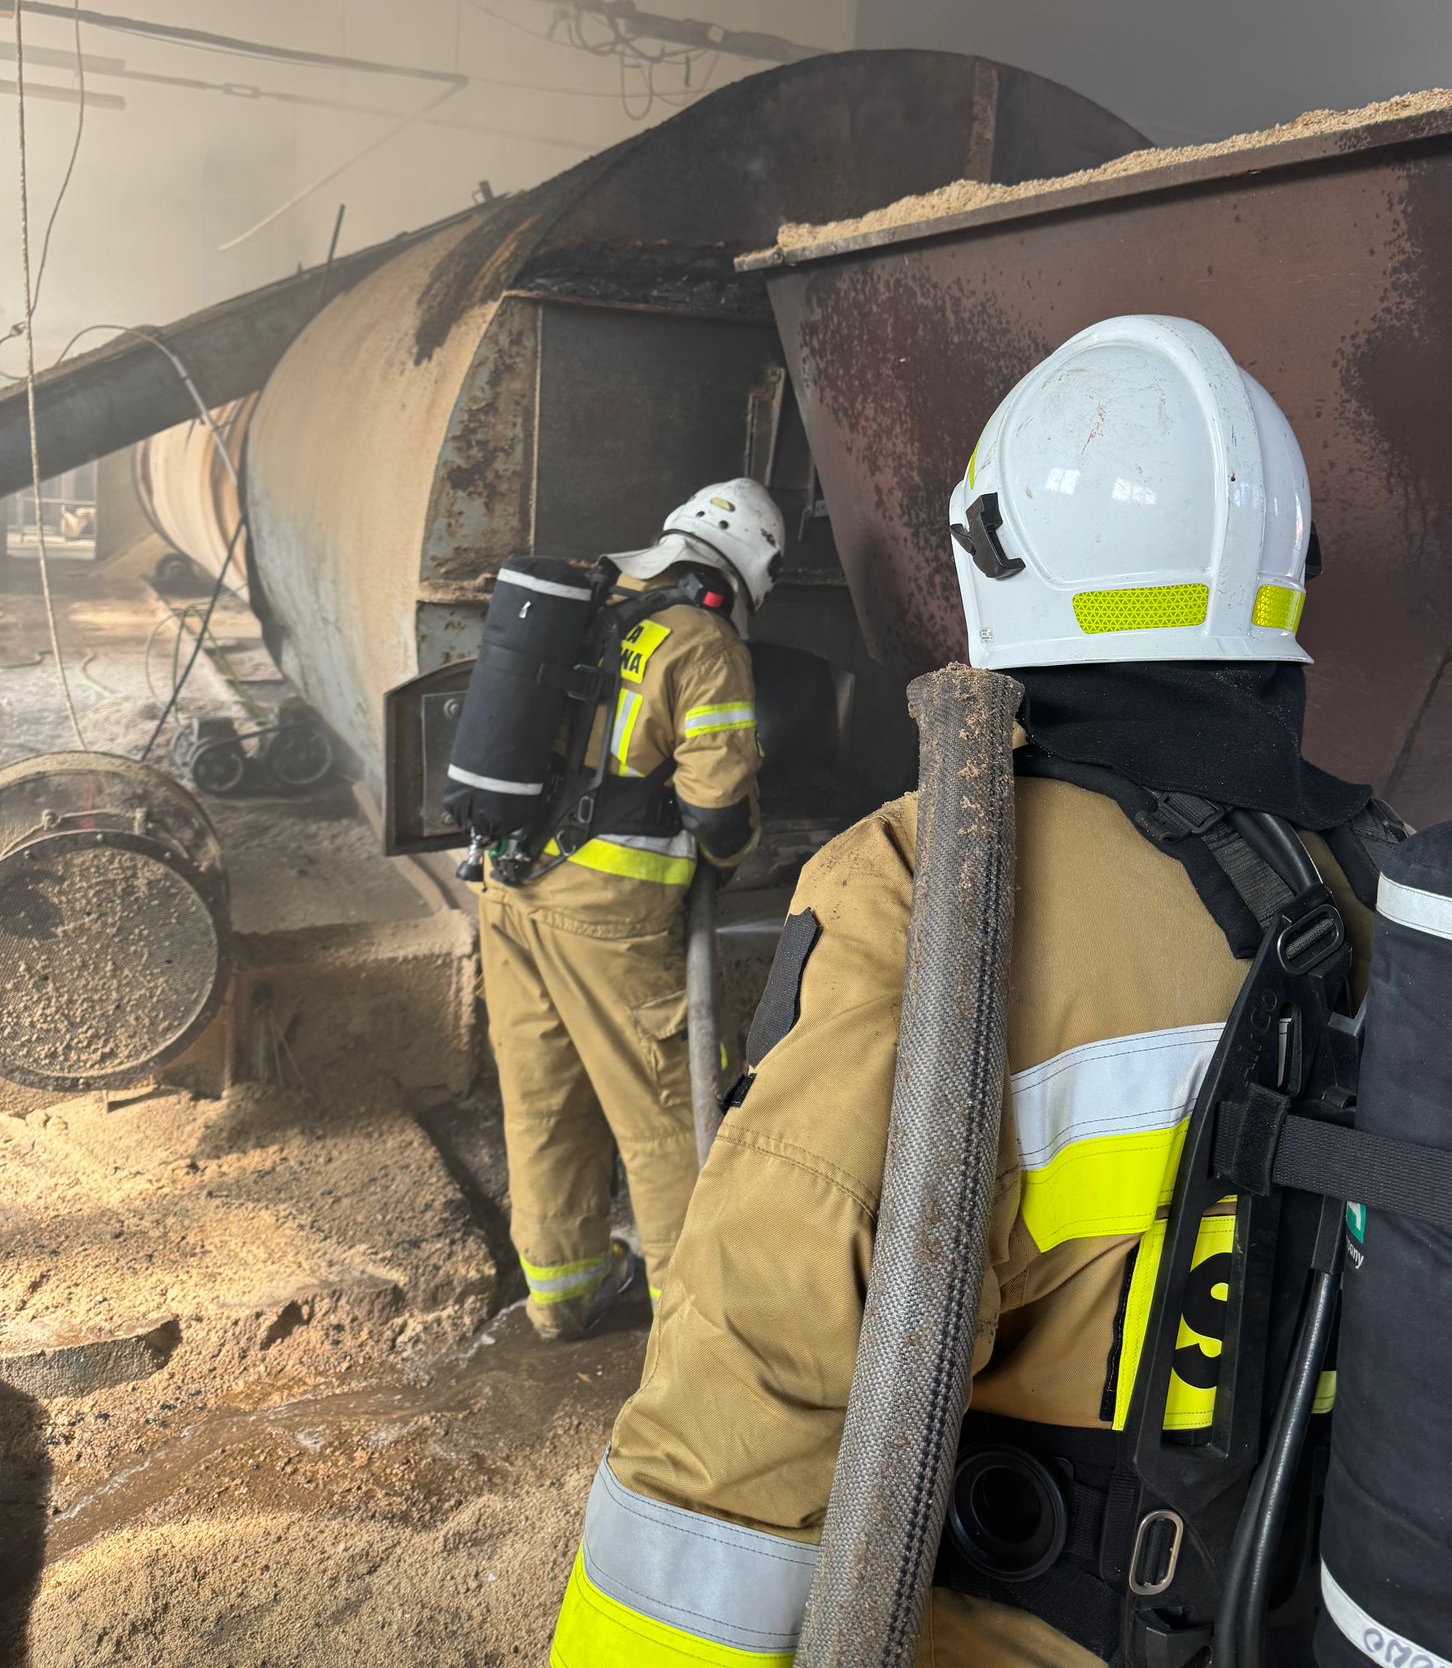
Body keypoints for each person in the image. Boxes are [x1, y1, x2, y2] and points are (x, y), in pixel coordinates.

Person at [550, 317, 1404, 1664]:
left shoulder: (933, 890)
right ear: (1284, 578)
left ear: (995, 558)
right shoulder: (1383, 882)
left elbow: (755, 1386)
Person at [478, 477, 784, 1341]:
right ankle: (696, 1330)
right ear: (751, 568)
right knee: (668, 1120)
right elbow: (717, 811)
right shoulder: (704, 641)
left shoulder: (593, 604)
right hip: (607, 918)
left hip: (507, 888)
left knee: (544, 1103)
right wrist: (733, 854)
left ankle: (564, 1295)